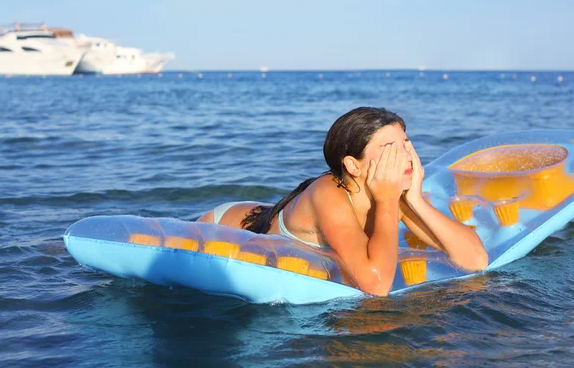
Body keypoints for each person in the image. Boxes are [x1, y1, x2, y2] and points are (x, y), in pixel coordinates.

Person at [197, 107, 488, 296]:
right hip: (228, 225)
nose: (405, 156)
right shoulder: (329, 193)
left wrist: (415, 199)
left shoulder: (395, 195)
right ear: (354, 165)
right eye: (390, 149)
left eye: (406, 145)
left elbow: (476, 259)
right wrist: (387, 202)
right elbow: (376, 285)